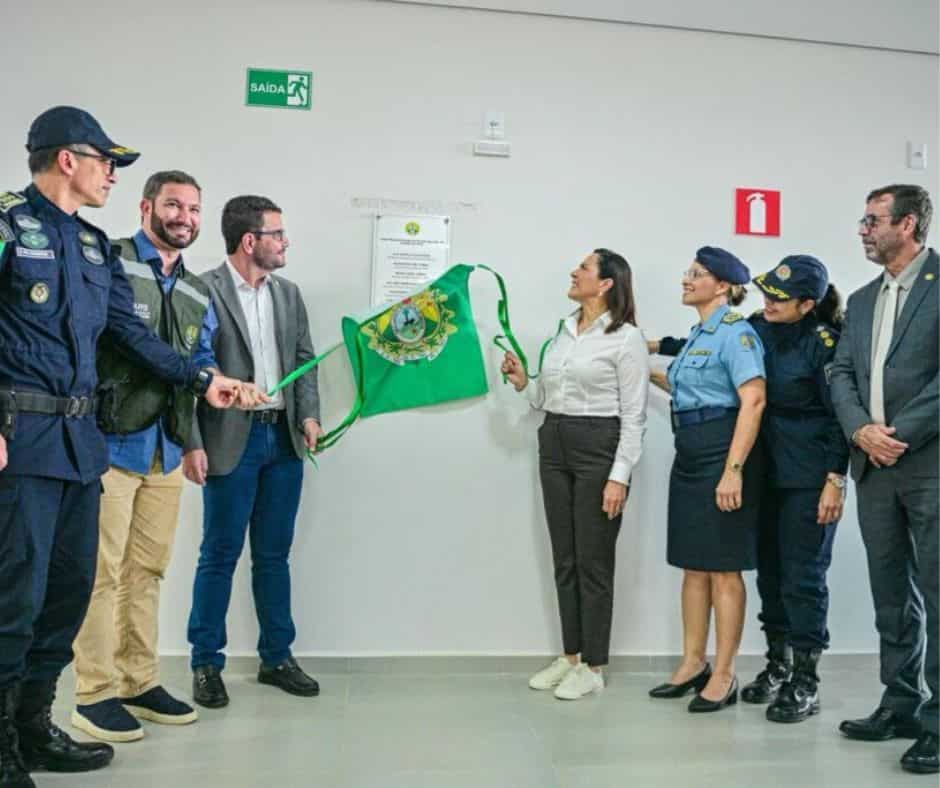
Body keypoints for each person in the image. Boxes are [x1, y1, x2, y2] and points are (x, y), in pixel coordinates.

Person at [0, 107, 245, 788]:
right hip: (22, 439)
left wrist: (202, 379)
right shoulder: (7, 226)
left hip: (82, 443)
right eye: (105, 161)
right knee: (15, 595)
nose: (112, 174)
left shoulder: (90, 247)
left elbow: (129, 336)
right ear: (67, 160)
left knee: (68, 591)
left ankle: (33, 726)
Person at [653, 255, 850, 722]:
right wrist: (652, 344)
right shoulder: (760, 327)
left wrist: (834, 479)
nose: (768, 302)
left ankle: (805, 679)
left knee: (803, 577)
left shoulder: (824, 344)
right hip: (764, 471)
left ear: (807, 305)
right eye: (767, 293)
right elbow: (708, 345)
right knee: (770, 576)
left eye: (781, 298)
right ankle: (777, 665)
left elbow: (839, 415)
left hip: (807, 476)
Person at [70, 171, 220, 742]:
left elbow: (199, 362)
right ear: (146, 207)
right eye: (173, 205)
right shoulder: (109, 261)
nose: (185, 217)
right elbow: (117, 339)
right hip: (109, 443)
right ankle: (94, 693)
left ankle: (139, 680)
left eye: (194, 208)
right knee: (100, 573)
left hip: (167, 449)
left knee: (148, 571)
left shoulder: (197, 290)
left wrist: (202, 425)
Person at [183, 195, 322, 709]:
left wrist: (308, 416)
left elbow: (304, 360)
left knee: (273, 556)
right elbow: (187, 369)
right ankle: (205, 664)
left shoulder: (289, 294)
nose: (285, 243)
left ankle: (277, 658)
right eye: (277, 234)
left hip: (282, 440)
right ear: (249, 241)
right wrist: (192, 442)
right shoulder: (201, 290)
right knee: (218, 555)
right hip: (228, 441)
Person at [501, 248, 649, 700]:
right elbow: (546, 397)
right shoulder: (564, 331)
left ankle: (594, 665)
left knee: (593, 561)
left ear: (606, 283)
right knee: (564, 558)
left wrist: (619, 475)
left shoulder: (626, 339)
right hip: (555, 442)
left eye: (583, 268)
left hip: (598, 448)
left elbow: (634, 416)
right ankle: (571, 657)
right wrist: (525, 383)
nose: (574, 272)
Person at [830, 184, 938, 775]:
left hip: (927, 463)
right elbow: (841, 372)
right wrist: (860, 431)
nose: (863, 230)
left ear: (909, 224)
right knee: (891, 593)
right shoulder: (863, 298)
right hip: (872, 465)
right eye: (864, 220)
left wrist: (897, 434)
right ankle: (900, 703)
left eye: (873, 220)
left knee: (938, 593)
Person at [646, 247, 766, 713]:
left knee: (723, 568)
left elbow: (752, 401)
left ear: (722, 286)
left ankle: (724, 673)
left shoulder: (736, 334)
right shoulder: (699, 335)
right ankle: (693, 662)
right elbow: (689, 389)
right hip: (691, 452)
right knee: (693, 565)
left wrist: (733, 470)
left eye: (696, 274)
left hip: (722, 451)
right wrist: (642, 372)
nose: (686, 279)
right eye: (688, 271)